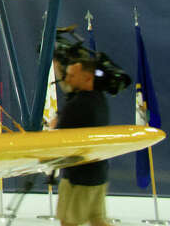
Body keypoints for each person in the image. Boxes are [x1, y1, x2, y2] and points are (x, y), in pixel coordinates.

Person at [51, 59, 110, 226]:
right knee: (97, 219)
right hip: (97, 172)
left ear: (87, 78)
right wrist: (58, 67)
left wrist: (55, 124)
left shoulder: (78, 105)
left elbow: (58, 136)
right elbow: (69, 88)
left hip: (78, 177)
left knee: (69, 221)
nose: (67, 79)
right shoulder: (98, 99)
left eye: (72, 75)